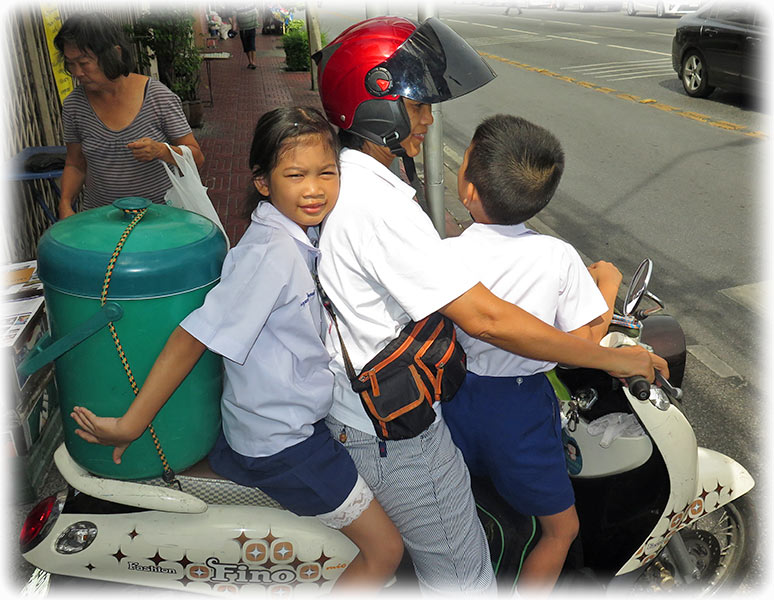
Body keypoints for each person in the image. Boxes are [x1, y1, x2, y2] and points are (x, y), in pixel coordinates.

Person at [313, 16, 667, 595]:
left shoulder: (359, 188)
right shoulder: (380, 209)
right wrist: (611, 357)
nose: (428, 118)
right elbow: (489, 319)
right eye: (418, 103)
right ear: (376, 104)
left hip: (417, 403)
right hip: (393, 428)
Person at [69, 106, 403, 591]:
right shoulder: (270, 254)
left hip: (272, 423)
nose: (313, 189)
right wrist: (131, 423)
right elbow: (194, 335)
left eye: (326, 173)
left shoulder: (298, 235)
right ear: (263, 182)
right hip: (282, 442)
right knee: (386, 550)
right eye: (295, 175)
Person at [442, 114, 623, 595]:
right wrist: (607, 282)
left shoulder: (446, 252)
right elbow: (583, 346)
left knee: (468, 509)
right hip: (519, 412)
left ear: (470, 190)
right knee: (562, 529)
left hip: (453, 401)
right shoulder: (557, 255)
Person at [54, 13, 205, 219]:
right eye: (71, 64)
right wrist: (65, 203)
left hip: (159, 220)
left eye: (84, 62)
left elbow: (196, 156)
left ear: (114, 53)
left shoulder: (157, 97)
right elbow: (75, 163)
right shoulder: (74, 105)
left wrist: (161, 150)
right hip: (100, 220)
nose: (77, 72)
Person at [231, 3, 260, 69]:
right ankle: (250, 61)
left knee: (252, 45)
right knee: (246, 46)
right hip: (243, 29)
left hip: (252, 28)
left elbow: (257, 12)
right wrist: (233, 30)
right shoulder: (235, 6)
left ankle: (253, 62)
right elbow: (234, 20)